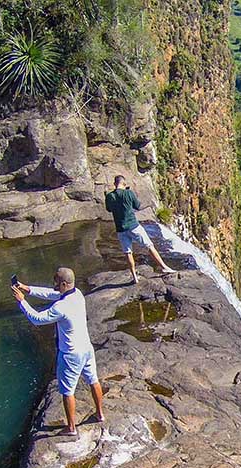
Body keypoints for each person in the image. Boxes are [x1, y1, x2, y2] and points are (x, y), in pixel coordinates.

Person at [13, 268, 105, 436]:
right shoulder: (77, 294)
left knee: (67, 392)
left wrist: (22, 302)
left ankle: (71, 428)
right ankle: (100, 414)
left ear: (63, 284)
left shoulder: (60, 307)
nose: (53, 285)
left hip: (70, 354)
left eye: (56, 282)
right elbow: (52, 294)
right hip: (86, 348)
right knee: (93, 380)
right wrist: (28, 288)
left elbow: (37, 319)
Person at [104, 175, 177, 283]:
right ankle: (164, 267)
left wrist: (106, 197)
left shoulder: (110, 196)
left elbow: (109, 209)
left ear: (115, 184)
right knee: (149, 245)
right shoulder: (128, 193)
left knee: (128, 252)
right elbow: (137, 206)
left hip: (120, 229)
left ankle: (134, 277)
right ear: (124, 184)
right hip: (134, 226)